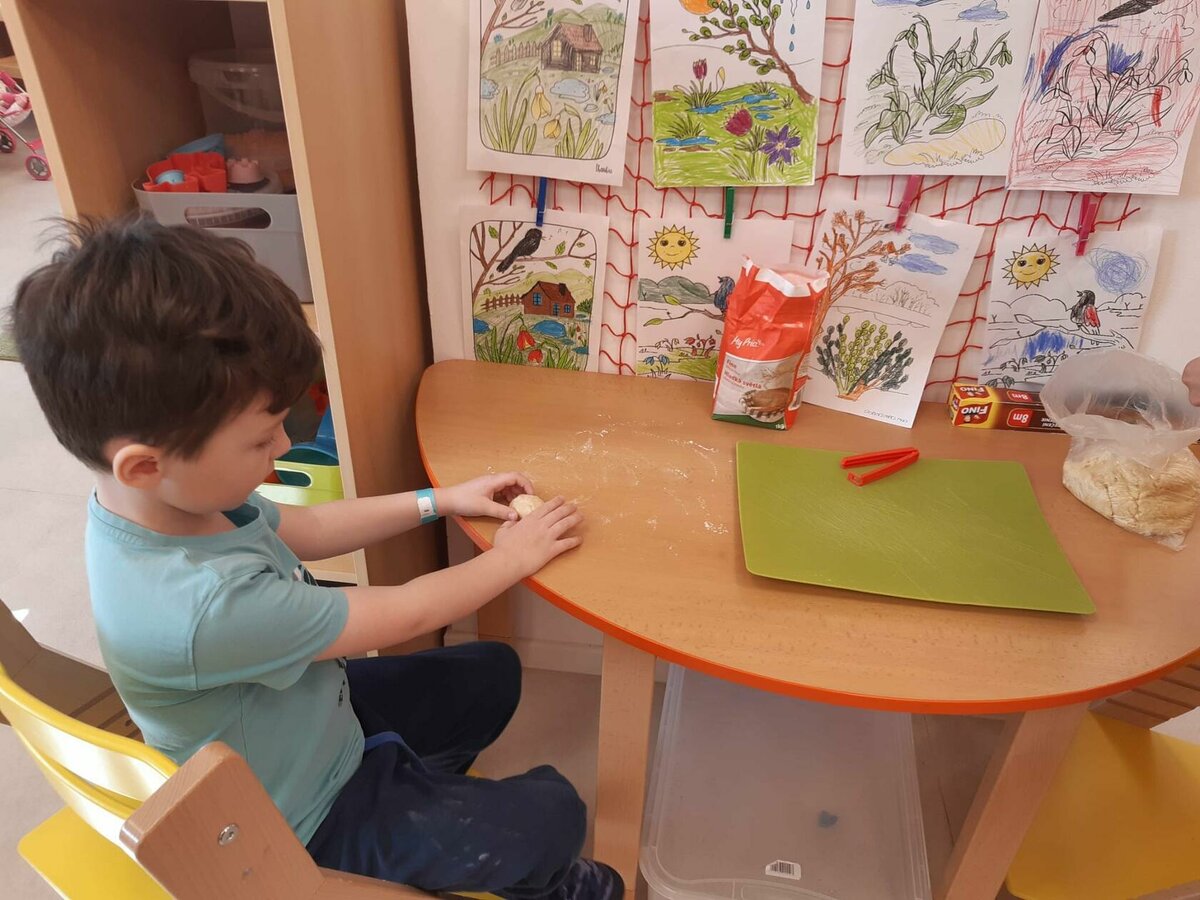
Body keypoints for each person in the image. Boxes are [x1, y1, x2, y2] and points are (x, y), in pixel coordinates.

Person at [7, 217, 621, 900]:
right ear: (146, 464)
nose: (283, 450)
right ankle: (434, 849)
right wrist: (511, 560)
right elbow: (402, 613)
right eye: (261, 439)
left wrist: (440, 500)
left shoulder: (162, 503)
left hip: (311, 721)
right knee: (554, 818)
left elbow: (311, 524)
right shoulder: (206, 607)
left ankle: (422, 811)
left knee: (491, 675)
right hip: (300, 820)